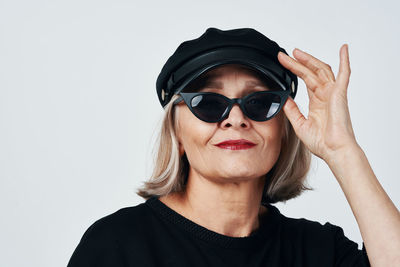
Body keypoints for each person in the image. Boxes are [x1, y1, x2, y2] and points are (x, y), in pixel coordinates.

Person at [67, 27, 400, 267]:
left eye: (260, 102)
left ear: (283, 129)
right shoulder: (118, 246)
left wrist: (343, 151)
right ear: (178, 133)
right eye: (209, 104)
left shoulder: (317, 251)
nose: (236, 118)